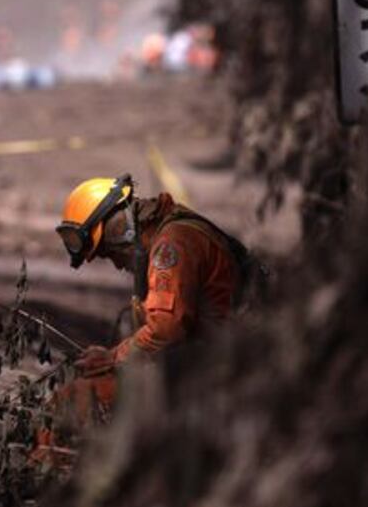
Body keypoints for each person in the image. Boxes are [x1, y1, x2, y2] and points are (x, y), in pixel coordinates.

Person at [50, 174, 256, 427]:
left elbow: (166, 328)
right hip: (207, 365)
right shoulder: (171, 232)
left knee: (72, 401)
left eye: (107, 252)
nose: (115, 264)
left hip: (214, 374)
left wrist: (113, 358)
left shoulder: (172, 245)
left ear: (117, 229)